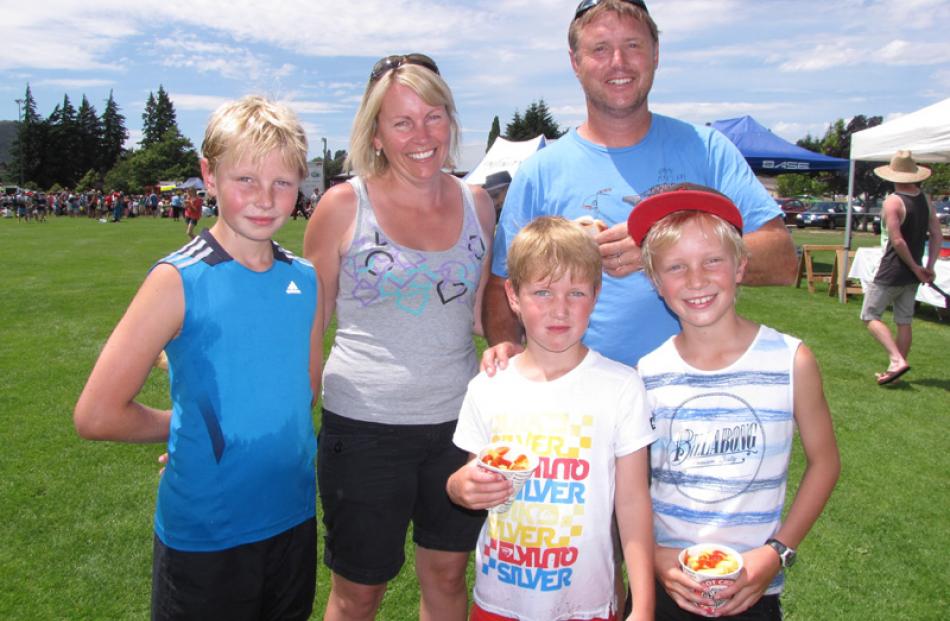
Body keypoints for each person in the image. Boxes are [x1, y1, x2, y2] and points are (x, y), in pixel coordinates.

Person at [74, 95, 323, 620]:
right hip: (209, 535)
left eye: (282, 182)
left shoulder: (303, 278)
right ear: (209, 175)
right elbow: (97, 414)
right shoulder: (177, 280)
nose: (265, 198)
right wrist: (182, 428)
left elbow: (301, 391)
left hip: (293, 520)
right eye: (245, 180)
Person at [483, 0, 798, 372]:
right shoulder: (540, 172)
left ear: (656, 54)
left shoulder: (707, 150)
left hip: (688, 393)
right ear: (575, 62)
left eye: (633, 45)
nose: (619, 61)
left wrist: (659, 251)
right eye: (600, 49)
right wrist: (507, 346)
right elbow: (501, 285)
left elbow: (782, 261)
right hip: (580, 401)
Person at [303, 54, 496, 621]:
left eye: (433, 117)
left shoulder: (476, 203)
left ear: (451, 122)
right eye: (402, 122)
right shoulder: (342, 206)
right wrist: (283, 423)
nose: (421, 135)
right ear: (377, 133)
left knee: (447, 575)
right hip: (363, 429)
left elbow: (483, 315)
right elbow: (309, 329)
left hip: (458, 427)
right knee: (359, 592)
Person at [628, 185, 840, 619]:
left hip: (752, 590)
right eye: (676, 267)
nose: (696, 279)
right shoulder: (647, 374)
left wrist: (777, 552)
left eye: (712, 261)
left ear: (740, 266)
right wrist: (654, 555)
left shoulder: (790, 361)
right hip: (666, 586)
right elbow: (629, 489)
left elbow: (826, 462)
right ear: (655, 281)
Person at [447, 216, 657, 621]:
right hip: (499, 602)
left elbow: (633, 503)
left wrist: (643, 605)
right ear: (513, 294)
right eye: (542, 292)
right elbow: (468, 477)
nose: (559, 309)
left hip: (588, 605)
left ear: (596, 295)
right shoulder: (488, 386)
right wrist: (460, 487)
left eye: (576, 292)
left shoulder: (622, 387)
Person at [860, 150, 942, 385]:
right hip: (913, 271)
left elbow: (896, 240)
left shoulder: (893, 201)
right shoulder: (925, 199)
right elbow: (936, 233)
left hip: (893, 270)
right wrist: (928, 266)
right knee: (904, 320)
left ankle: (896, 361)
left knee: (869, 315)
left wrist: (918, 267)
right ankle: (896, 369)